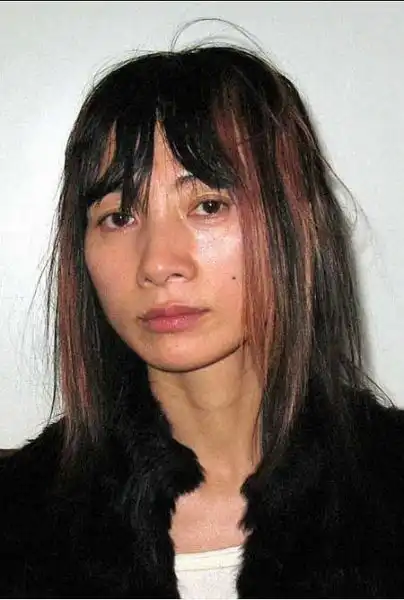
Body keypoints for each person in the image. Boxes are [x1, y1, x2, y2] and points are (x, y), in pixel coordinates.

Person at [1, 39, 404, 600]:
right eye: (119, 216)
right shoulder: (19, 522)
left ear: (297, 226)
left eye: (208, 205)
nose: (157, 263)